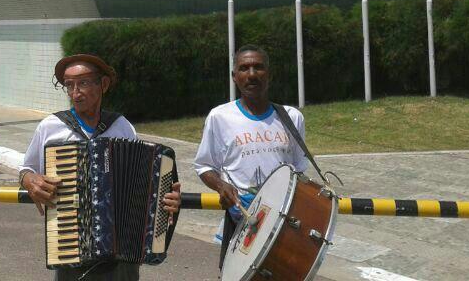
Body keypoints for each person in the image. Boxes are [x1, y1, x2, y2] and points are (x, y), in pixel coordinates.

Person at [20, 54, 182, 281]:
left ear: (103, 84)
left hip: (123, 257)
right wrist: (29, 180)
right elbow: (26, 169)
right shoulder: (51, 126)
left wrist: (166, 201)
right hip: (70, 246)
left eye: (83, 83)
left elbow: (145, 185)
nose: (75, 93)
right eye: (69, 85)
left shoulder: (122, 126)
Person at [194, 44, 309, 270]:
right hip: (241, 224)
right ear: (234, 76)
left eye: (259, 67)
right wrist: (221, 186)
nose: (252, 74)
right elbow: (204, 166)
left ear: (269, 74)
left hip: (282, 226)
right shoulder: (219, 117)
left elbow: (299, 169)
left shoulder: (292, 118)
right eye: (244, 68)